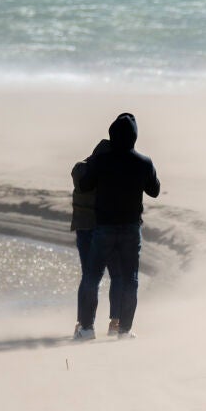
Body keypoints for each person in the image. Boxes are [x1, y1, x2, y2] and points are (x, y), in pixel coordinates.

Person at [72, 112, 160, 338]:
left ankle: (86, 329)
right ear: (134, 137)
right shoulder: (143, 162)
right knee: (129, 279)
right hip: (131, 228)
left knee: (92, 277)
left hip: (105, 228)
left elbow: (84, 185)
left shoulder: (102, 161)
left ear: (112, 135)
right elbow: (154, 190)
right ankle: (124, 330)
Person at [69, 138, 110, 340]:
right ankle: (106, 323)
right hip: (101, 229)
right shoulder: (104, 174)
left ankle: (83, 323)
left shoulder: (80, 170)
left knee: (88, 277)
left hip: (83, 228)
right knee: (109, 277)